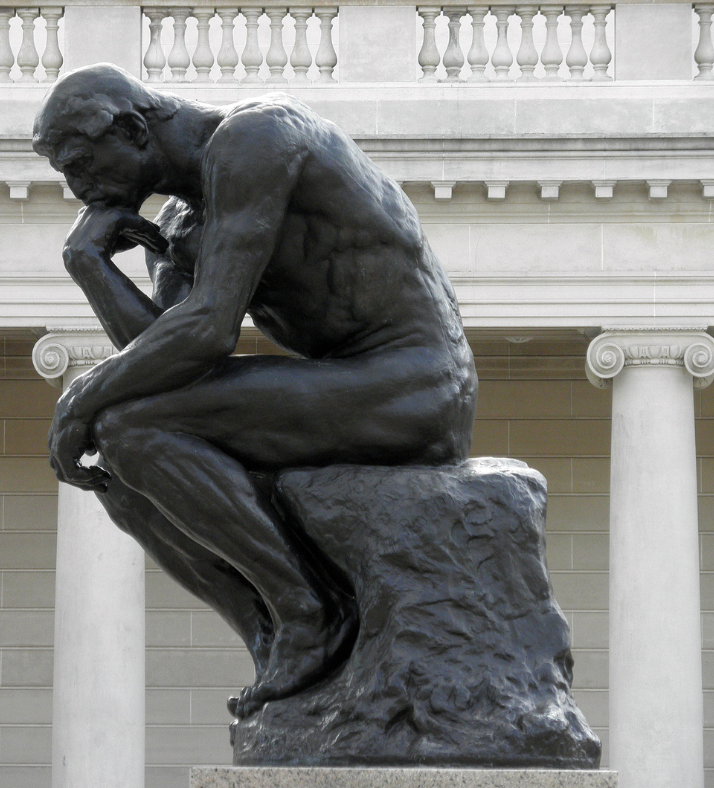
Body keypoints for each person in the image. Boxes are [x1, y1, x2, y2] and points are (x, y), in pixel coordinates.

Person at [32, 63, 478, 718]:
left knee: (125, 426)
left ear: (129, 128)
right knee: (119, 463)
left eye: (78, 163)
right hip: (349, 389)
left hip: (415, 383)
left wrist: (82, 398)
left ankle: (309, 612)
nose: (77, 189)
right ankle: (273, 634)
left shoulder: (257, 139)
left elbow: (208, 333)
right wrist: (91, 267)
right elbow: (171, 359)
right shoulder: (183, 225)